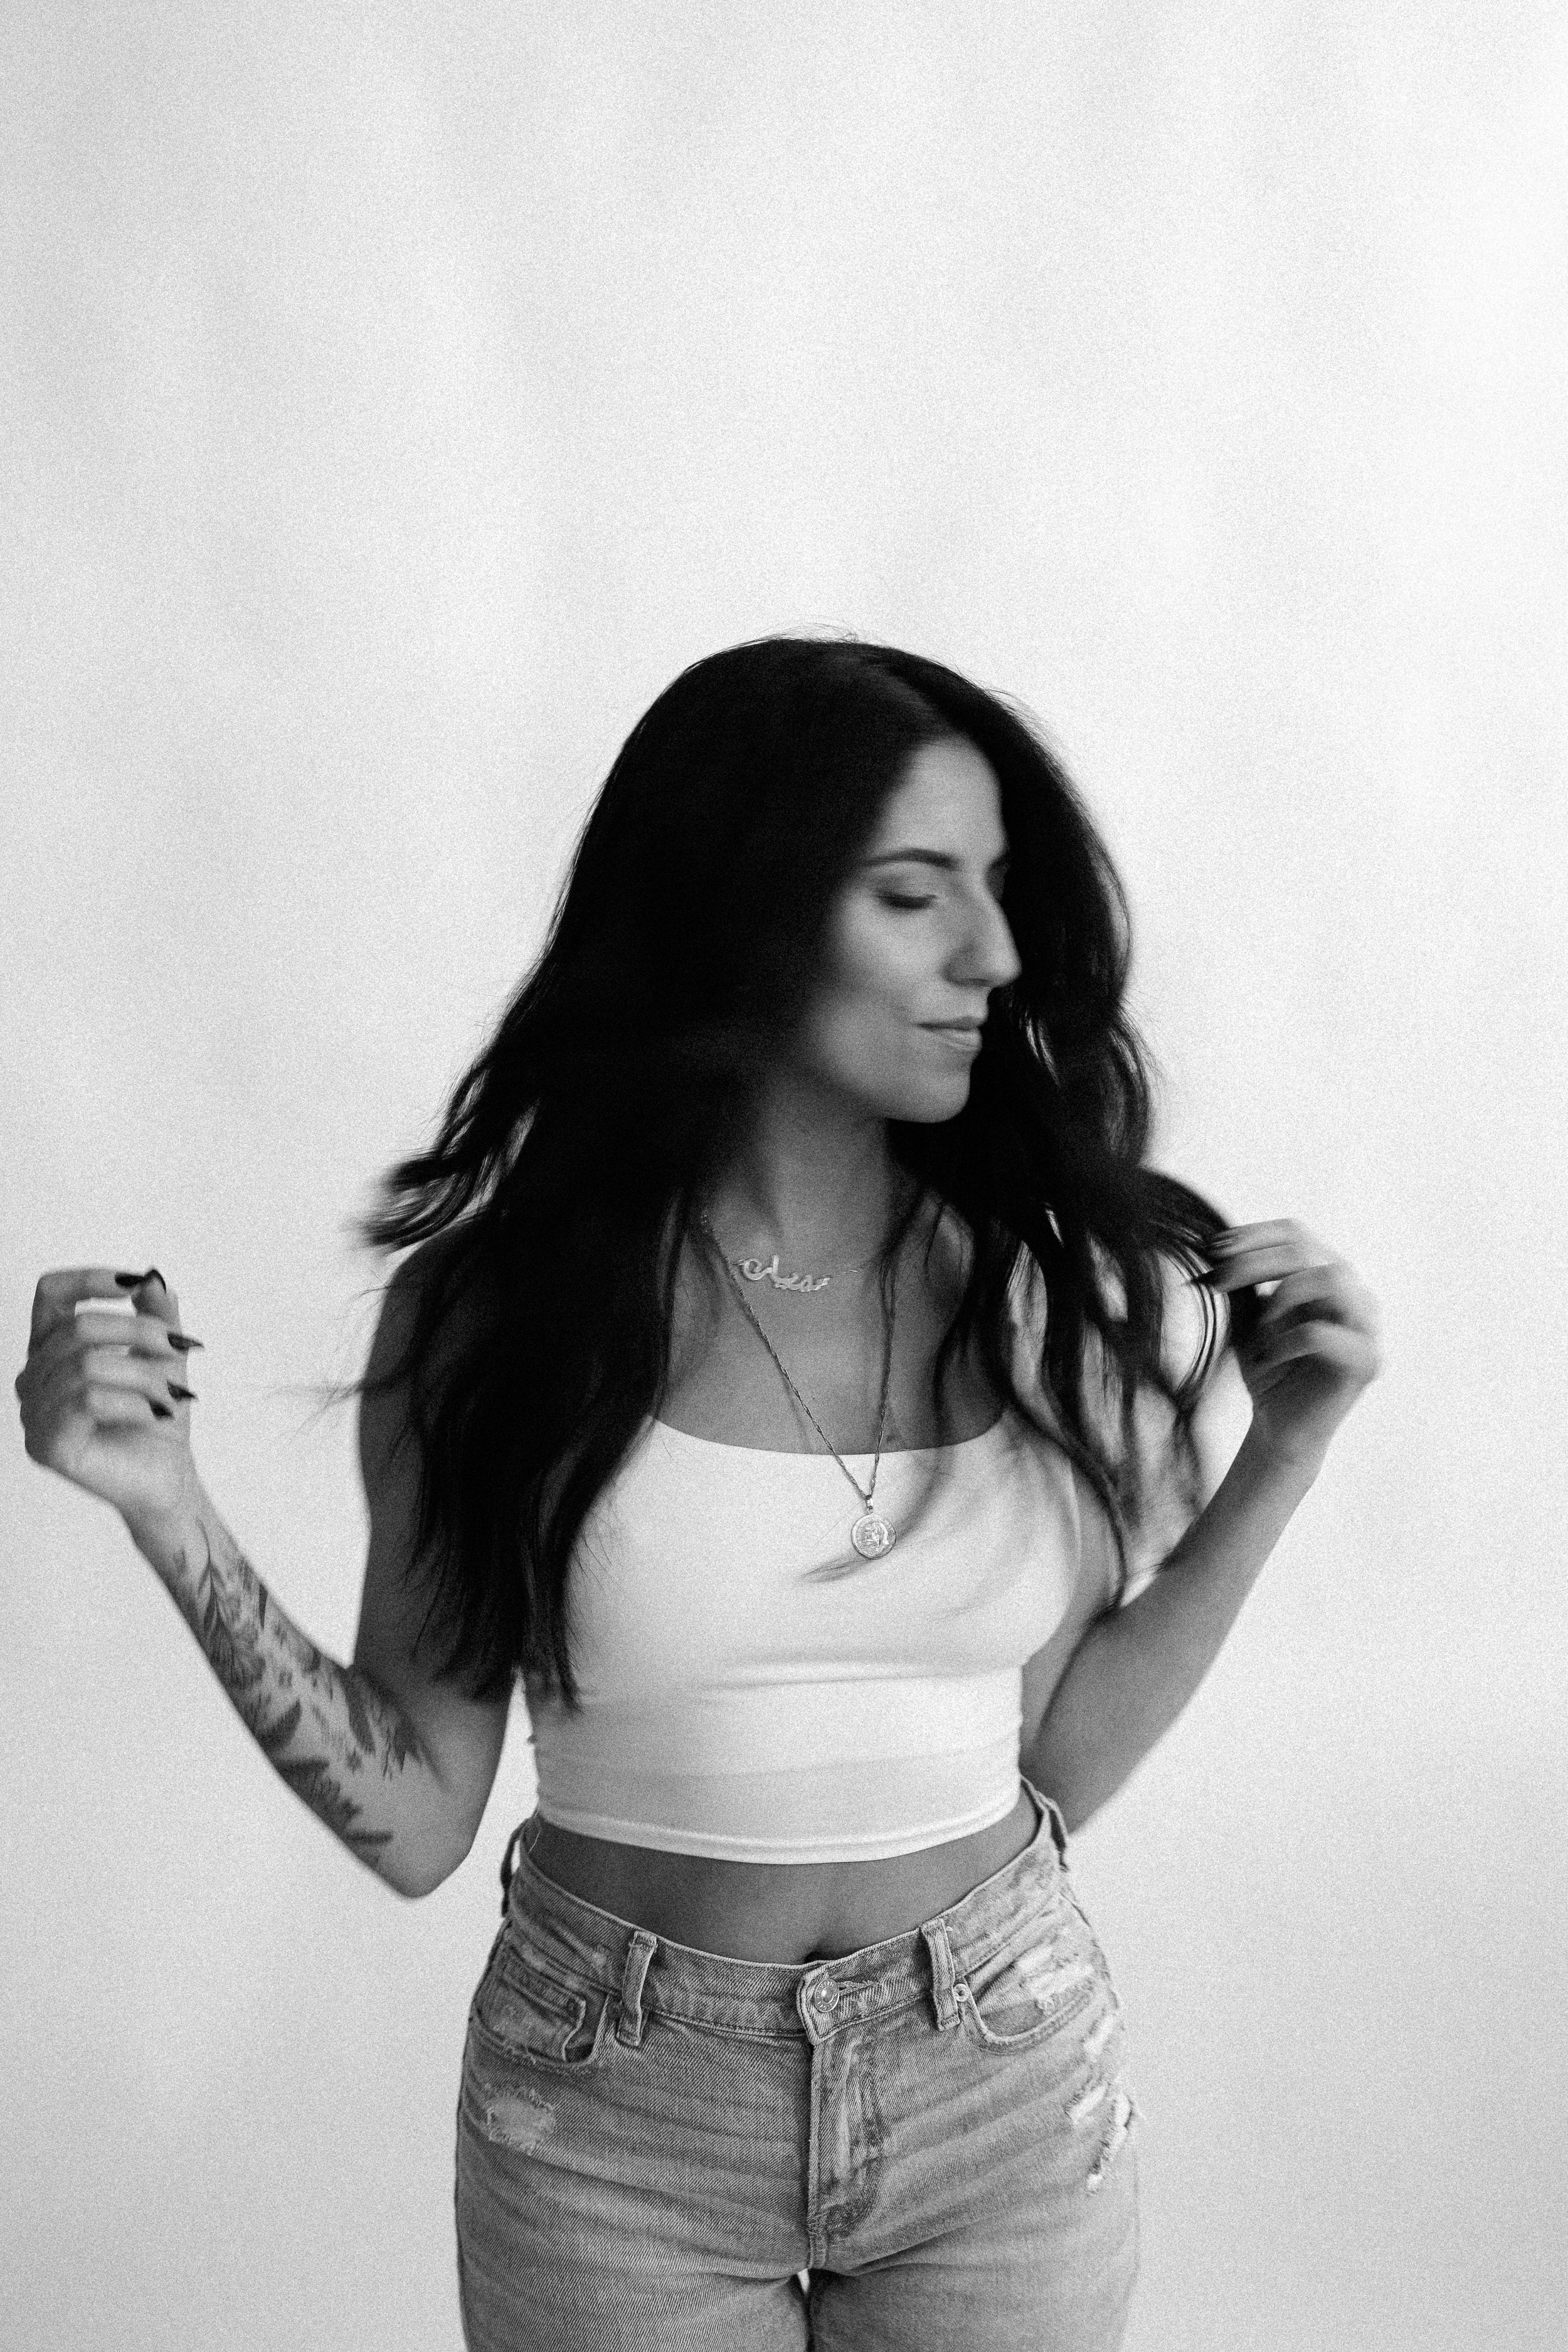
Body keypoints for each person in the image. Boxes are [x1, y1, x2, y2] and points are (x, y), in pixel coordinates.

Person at [18, 635, 1380, 2350]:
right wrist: (167, 1511)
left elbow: (1045, 1762)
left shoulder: (1030, 1288)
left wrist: (1287, 1450)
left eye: (996, 889)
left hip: (1002, 2071)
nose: (994, 953)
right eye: (912, 895)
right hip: (617, 2116)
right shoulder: (501, 1317)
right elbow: (425, 1816)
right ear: (743, 909)